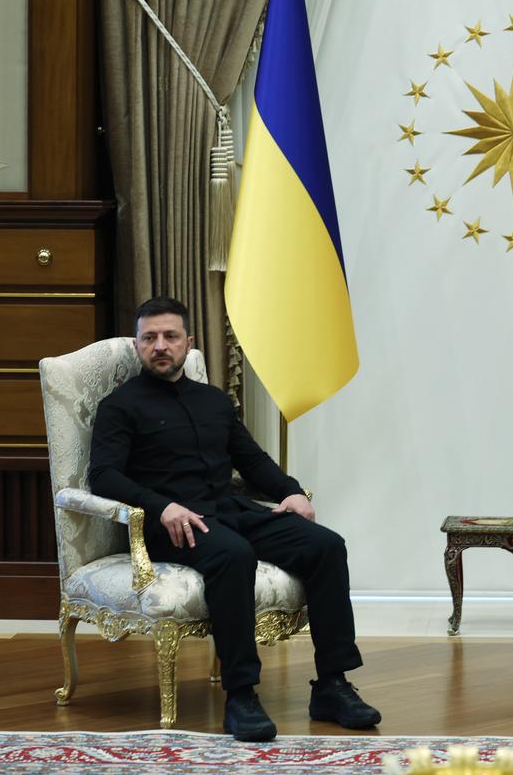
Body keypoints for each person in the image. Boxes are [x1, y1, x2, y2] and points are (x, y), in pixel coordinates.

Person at [89, 296, 380, 742]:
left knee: (325, 545)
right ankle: (241, 694)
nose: (160, 346)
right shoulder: (120, 406)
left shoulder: (214, 402)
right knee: (233, 555)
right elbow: (103, 475)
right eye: (150, 338)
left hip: (227, 510)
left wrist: (291, 491)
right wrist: (161, 506)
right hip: (173, 524)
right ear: (137, 346)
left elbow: (253, 460)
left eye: (170, 336)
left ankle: (332, 685)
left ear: (188, 342)